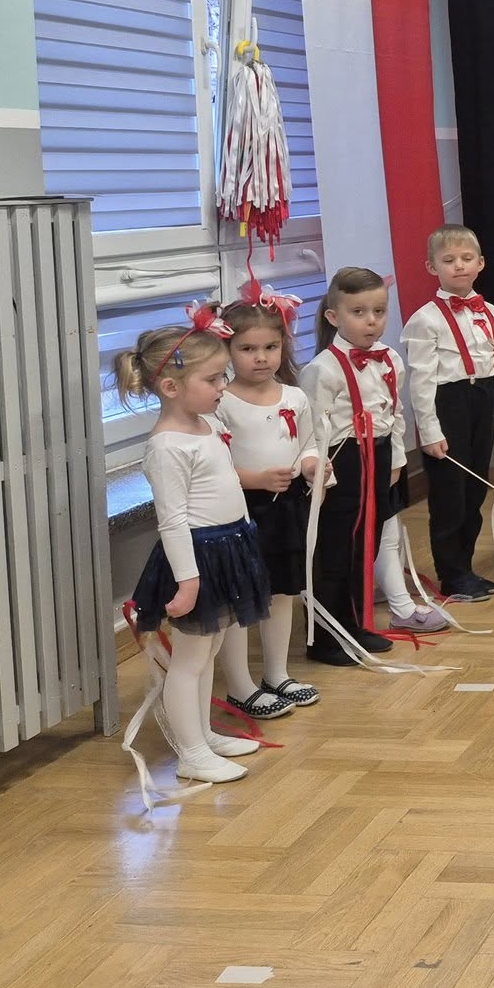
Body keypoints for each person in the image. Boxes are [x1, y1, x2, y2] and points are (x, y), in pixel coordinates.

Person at [117, 308, 271, 782]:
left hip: (227, 548)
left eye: (222, 376)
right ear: (171, 387)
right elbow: (172, 520)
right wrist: (187, 581)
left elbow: (227, 485)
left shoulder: (205, 426)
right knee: (190, 659)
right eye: (212, 379)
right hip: (198, 558)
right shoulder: (167, 447)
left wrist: (245, 537)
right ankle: (190, 753)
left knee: (211, 649)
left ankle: (203, 734)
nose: (223, 386)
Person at [214, 288, 326, 719]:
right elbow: (214, 466)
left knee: (282, 591)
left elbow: (308, 443)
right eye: (247, 349)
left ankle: (277, 673)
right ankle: (239, 684)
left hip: (285, 508)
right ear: (227, 350)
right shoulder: (221, 403)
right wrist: (257, 479)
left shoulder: (294, 397)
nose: (260, 358)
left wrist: (313, 465)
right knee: (241, 596)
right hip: (241, 509)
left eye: (270, 347)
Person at [302, 269, 406, 668]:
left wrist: (396, 460)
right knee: (336, 547)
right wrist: (323, 478)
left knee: (368, 542)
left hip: (378, 457)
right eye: (358, 312)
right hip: (340, 462)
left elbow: (395, 414)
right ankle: (325, 636)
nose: (371, 321)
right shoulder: (322, 369)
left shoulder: (390, 358)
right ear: (334, 317)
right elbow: (312, 429)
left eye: (379, 311)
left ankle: (355, 624)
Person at [402, 225, 494, 602]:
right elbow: (421, 382)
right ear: (432, 267)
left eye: (466, 259)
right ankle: (451, 573)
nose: (459, 266)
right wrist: (429, 431)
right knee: (450, 492)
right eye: (449, 260)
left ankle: (465, 566)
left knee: (475, 487)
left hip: (484, 398)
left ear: (481, 263)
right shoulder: (425, 319)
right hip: (448, 404)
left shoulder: (493, 313)